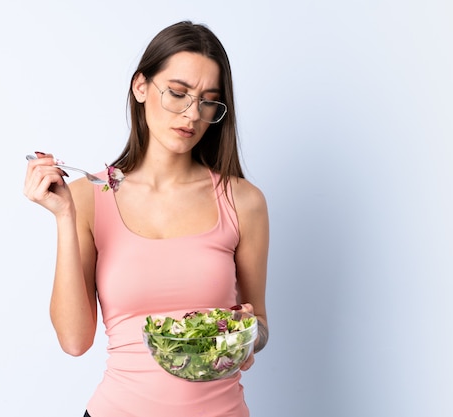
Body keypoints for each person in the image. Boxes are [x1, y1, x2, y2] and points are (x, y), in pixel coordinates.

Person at [24, 21, 269, 417]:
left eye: (208, 101)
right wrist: (64, 216)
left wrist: (246, 334)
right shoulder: (90, 197)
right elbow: (74, 341)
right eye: (177, 93)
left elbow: (261, 326)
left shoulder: (243, 201)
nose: (192, 114)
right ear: (141, 87)